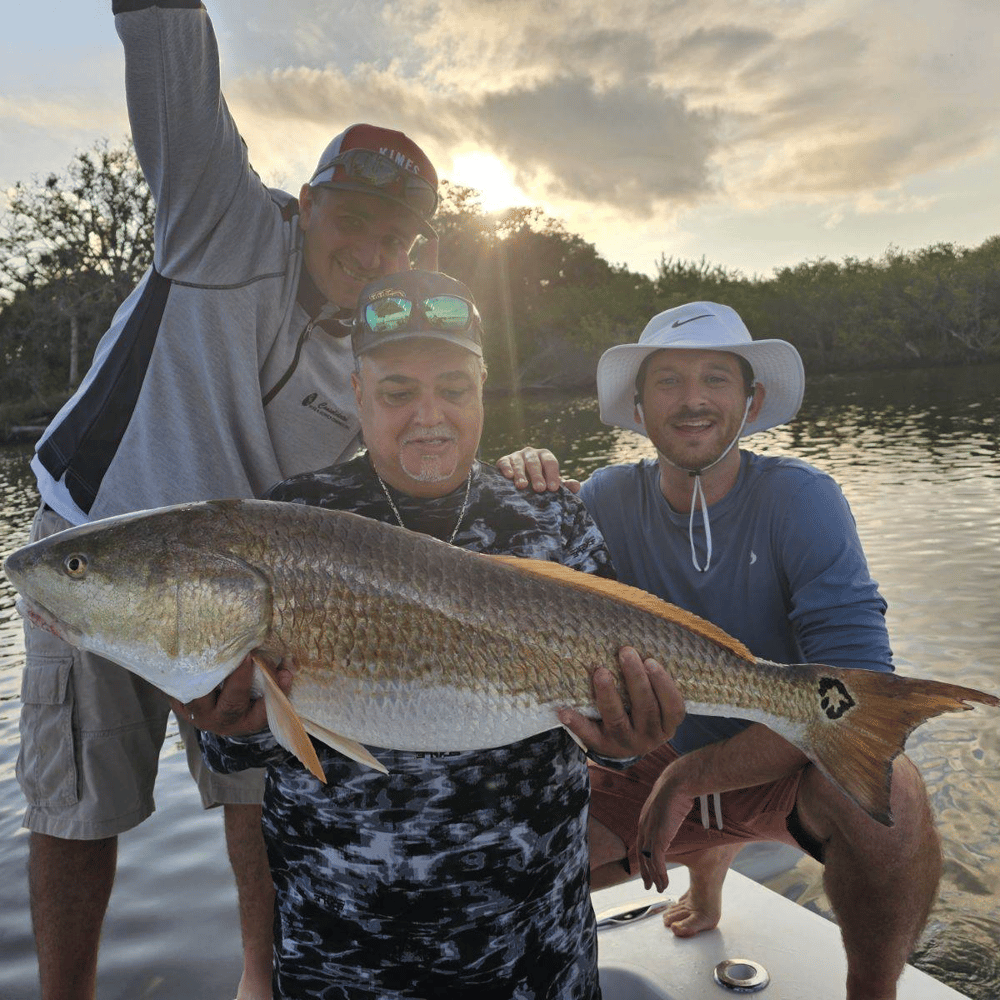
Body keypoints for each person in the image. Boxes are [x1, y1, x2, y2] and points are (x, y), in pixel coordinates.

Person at [17, 5, 445, 999]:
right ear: (305, 203)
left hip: (246, 593)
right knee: (79, 803)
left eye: (396, 237)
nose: (369, 250)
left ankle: (261, 987)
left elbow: (417, 473)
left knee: (259, 789)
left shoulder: (373, 359)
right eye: (352, 221)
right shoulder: (217, 215)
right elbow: (168, 43)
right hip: (91, 545)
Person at [195, 269, 685, 1000]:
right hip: (340, 960)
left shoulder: (551, 517)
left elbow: (608, 722)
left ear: (483, 392)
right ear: (356, 393)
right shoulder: (292, 523)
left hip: (535, 955)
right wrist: (223, 725)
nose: (429, 416)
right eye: (397, 392)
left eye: (453, 388)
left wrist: (627, 740)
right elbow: (247, 742)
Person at [498, 301, 943, 1000]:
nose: (693, 400)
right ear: (640, 408)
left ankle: (873, 993)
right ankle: (707, 878)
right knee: (511, 870)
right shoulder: (605, 500)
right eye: (668, 381)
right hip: (657, 754)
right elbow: (511, 575)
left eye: (715, 378)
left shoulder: (805, 500)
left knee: (888, 796)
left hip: (786, 765)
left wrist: (690, 778)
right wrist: (520, 476)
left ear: (751, 400)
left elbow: (853, 698)